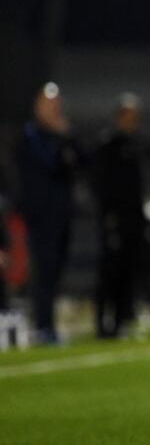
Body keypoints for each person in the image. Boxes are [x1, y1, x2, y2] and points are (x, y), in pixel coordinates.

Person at [13, 82, 84, 344]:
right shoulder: (30, 136)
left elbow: (82, 161)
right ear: (38, 107)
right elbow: (52, 165)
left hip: (62, 213)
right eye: (49, 105)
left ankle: (48, 325)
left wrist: (68, 137)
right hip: (40, 215)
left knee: (56, 271)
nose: (55, 110)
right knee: (44, 271)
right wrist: (62, 141)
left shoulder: (62, 134)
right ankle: (43, 326)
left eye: (57, 105)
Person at [92, 93, 145, 338]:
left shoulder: (135, 145)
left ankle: (122, 321)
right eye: (128, 116)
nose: (133, 121)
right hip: (114, 220)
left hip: (133, 220)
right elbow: (101, 186)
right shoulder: (107, 146)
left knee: (127, 272)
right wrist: (109, 216)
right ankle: (104, 323)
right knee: (109, 273)